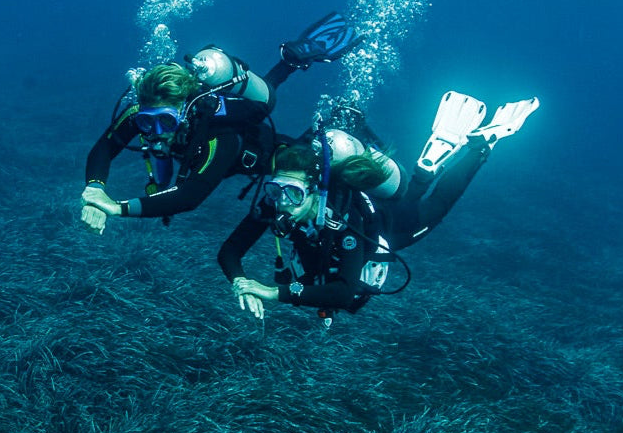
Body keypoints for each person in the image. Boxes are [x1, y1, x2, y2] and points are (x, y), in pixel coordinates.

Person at [219, 92, 539, 319]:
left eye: (293, 194)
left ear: (316, 191)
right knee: (413, 198)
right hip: (361, 219)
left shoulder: (343, 220)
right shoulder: (275, 203)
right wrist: (240, 283)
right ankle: (425, 170)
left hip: (388, 228)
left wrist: (275, 294)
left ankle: (481, 146)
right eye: (276, 190)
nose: (281, 203)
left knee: (431, 209)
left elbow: (345, 292)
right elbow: (230, 251)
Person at [78, 12, 362, 233]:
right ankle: (287, 64)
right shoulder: (144, 110)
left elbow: (189, 197)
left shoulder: (217, 134)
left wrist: (115, 208)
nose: (154, 133)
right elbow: (104, 148)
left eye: (165, 120)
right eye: (146, 122)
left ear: (185, 108)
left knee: (307, 156)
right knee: (263, 95)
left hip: (253, 153)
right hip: (208, 138)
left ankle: (341, 116)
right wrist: (95, 187)